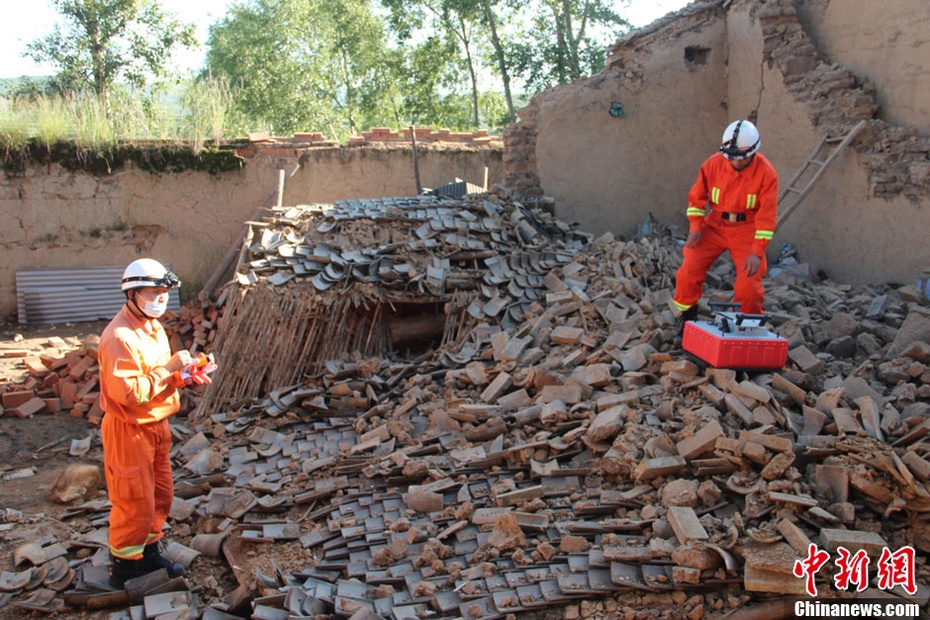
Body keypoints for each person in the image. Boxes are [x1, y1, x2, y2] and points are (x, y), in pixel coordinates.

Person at [98, 258, 211, 588]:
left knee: (158, 497)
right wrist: (169, 370)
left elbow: (157, 379)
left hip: (155, 425)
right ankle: (125, 568)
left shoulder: (151, 327)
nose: (160, 298)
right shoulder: (119, 337)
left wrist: (183, 377)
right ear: (131, 293)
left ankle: (146, 555)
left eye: (164, 292)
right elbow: (130, 393)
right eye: (153, 291)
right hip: (129, 430)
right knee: (133, 500)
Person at [671, 119, 778, 326]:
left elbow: (767, 217)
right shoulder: (713, 164)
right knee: (689, 268)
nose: (736, 162)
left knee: (750, 284)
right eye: (731, 158)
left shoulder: (766, 174)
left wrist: (757, 252)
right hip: (714, 225)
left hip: (747, 229)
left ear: (753, 152)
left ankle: (746, 324)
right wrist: (695, 228)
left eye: (741, 158)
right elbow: (696, 199)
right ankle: (684, 317)